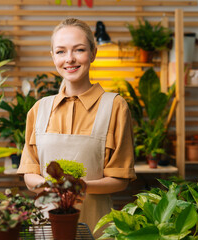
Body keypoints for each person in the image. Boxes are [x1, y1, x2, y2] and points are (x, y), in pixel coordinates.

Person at [17, 18, 136, 236]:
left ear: (93, 53)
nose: (69, 59)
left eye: (79, 50)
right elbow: (29, 174)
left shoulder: (115, 106)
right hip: (46, 227)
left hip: (96, 226)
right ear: (52, 56)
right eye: (61, 51)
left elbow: (121, 179)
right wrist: (50, 185)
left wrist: (78, 186)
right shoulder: (39, 109)